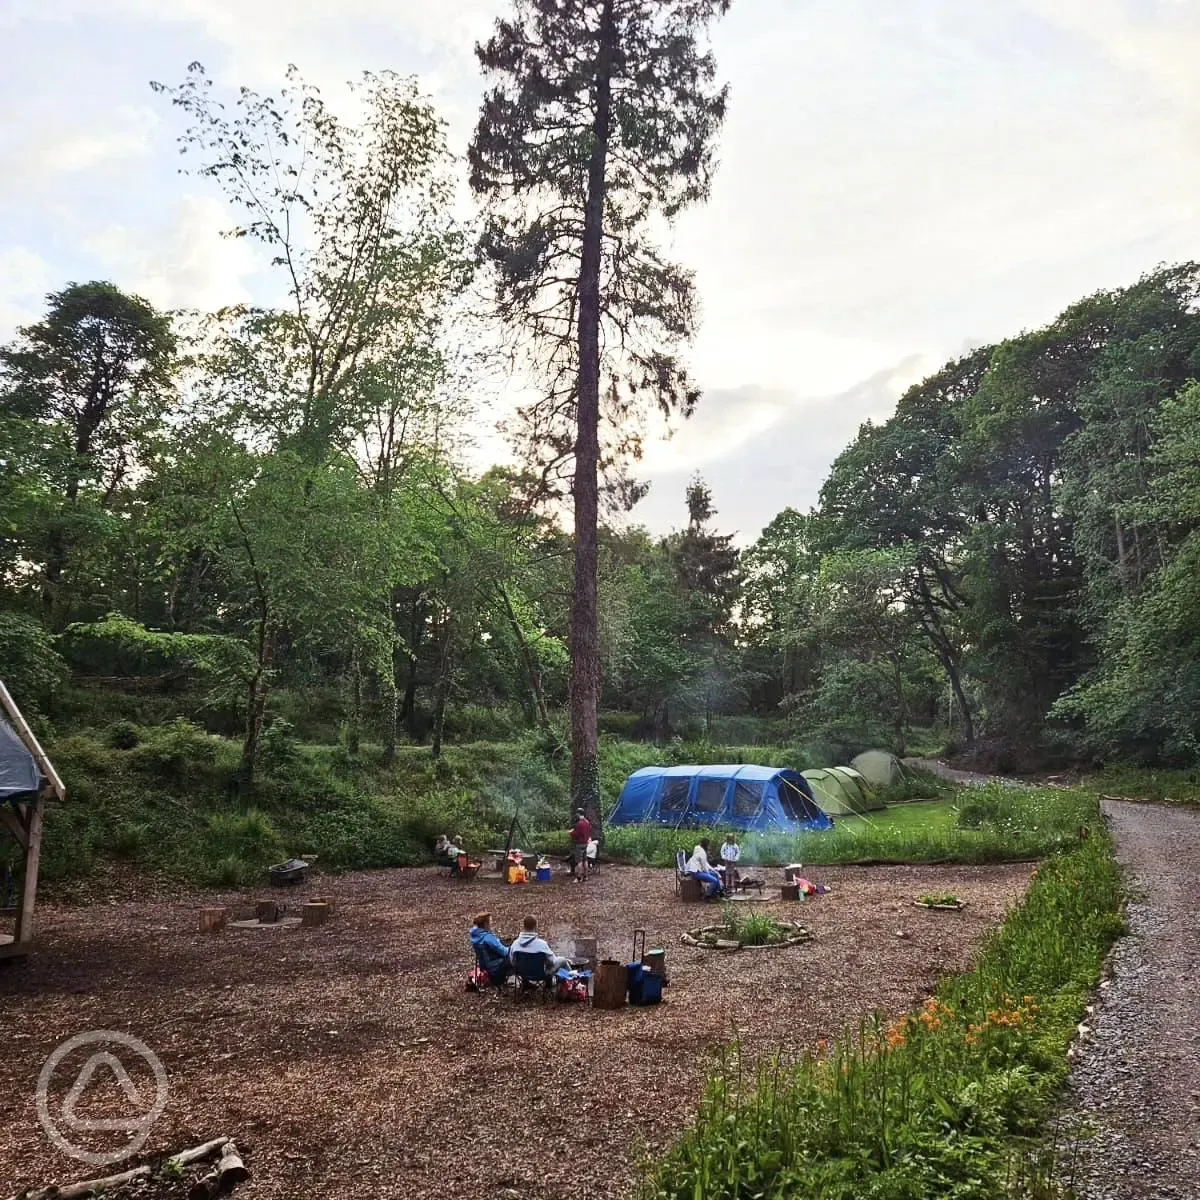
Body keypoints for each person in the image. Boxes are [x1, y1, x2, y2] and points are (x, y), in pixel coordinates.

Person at [469, 912, 511, 984]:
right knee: (517, 955)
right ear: (486, 924)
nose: (492, 924)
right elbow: (505, 952)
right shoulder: (487, 938)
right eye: (491, 922)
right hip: (496, 970)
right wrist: (512, 947)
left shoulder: (476, 936)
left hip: (485, 968)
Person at [568, 809, 593, 882]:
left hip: (579, 844)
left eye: (577, 813)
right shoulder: (587, 822)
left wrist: (571, 832)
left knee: (579, 861)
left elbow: (576, 834)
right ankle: (585, 876)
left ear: (578, 814)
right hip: (585, 844)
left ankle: (578, 878)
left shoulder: (579, 823)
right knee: (585, 860)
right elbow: (589, 832)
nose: (576, 815)